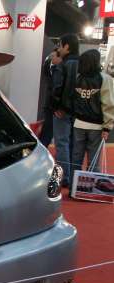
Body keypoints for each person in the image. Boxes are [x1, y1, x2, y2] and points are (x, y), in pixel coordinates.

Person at [71, 49, 114, 179]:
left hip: (78, 124)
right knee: (93, 161)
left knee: (76, 159)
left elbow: (74, 100)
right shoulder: (104, 78)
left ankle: (74, 186)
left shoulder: (78, 78)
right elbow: (108, 104)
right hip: (96, 126)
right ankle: (90, 188)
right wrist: (107, 127)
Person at [52, 34, 80, 187]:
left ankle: (64, 177)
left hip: (63, 110)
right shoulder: (82, 63)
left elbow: (58, 88)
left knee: (62, 143)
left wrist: (58, 107)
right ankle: (75, 177)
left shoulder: (64, 64)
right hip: (79, 112)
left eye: (60, 45)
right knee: (74, 145)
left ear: (67, 46)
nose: (58, 48)